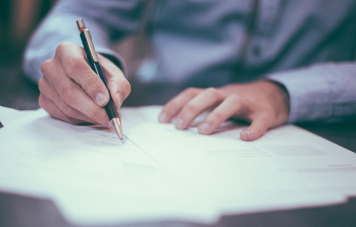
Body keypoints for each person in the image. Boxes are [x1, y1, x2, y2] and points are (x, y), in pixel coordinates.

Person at [23, 0, 356, 141]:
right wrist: (78, 66)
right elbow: (78, 12)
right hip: (162, 109)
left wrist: (285, 91)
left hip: (320, 125)